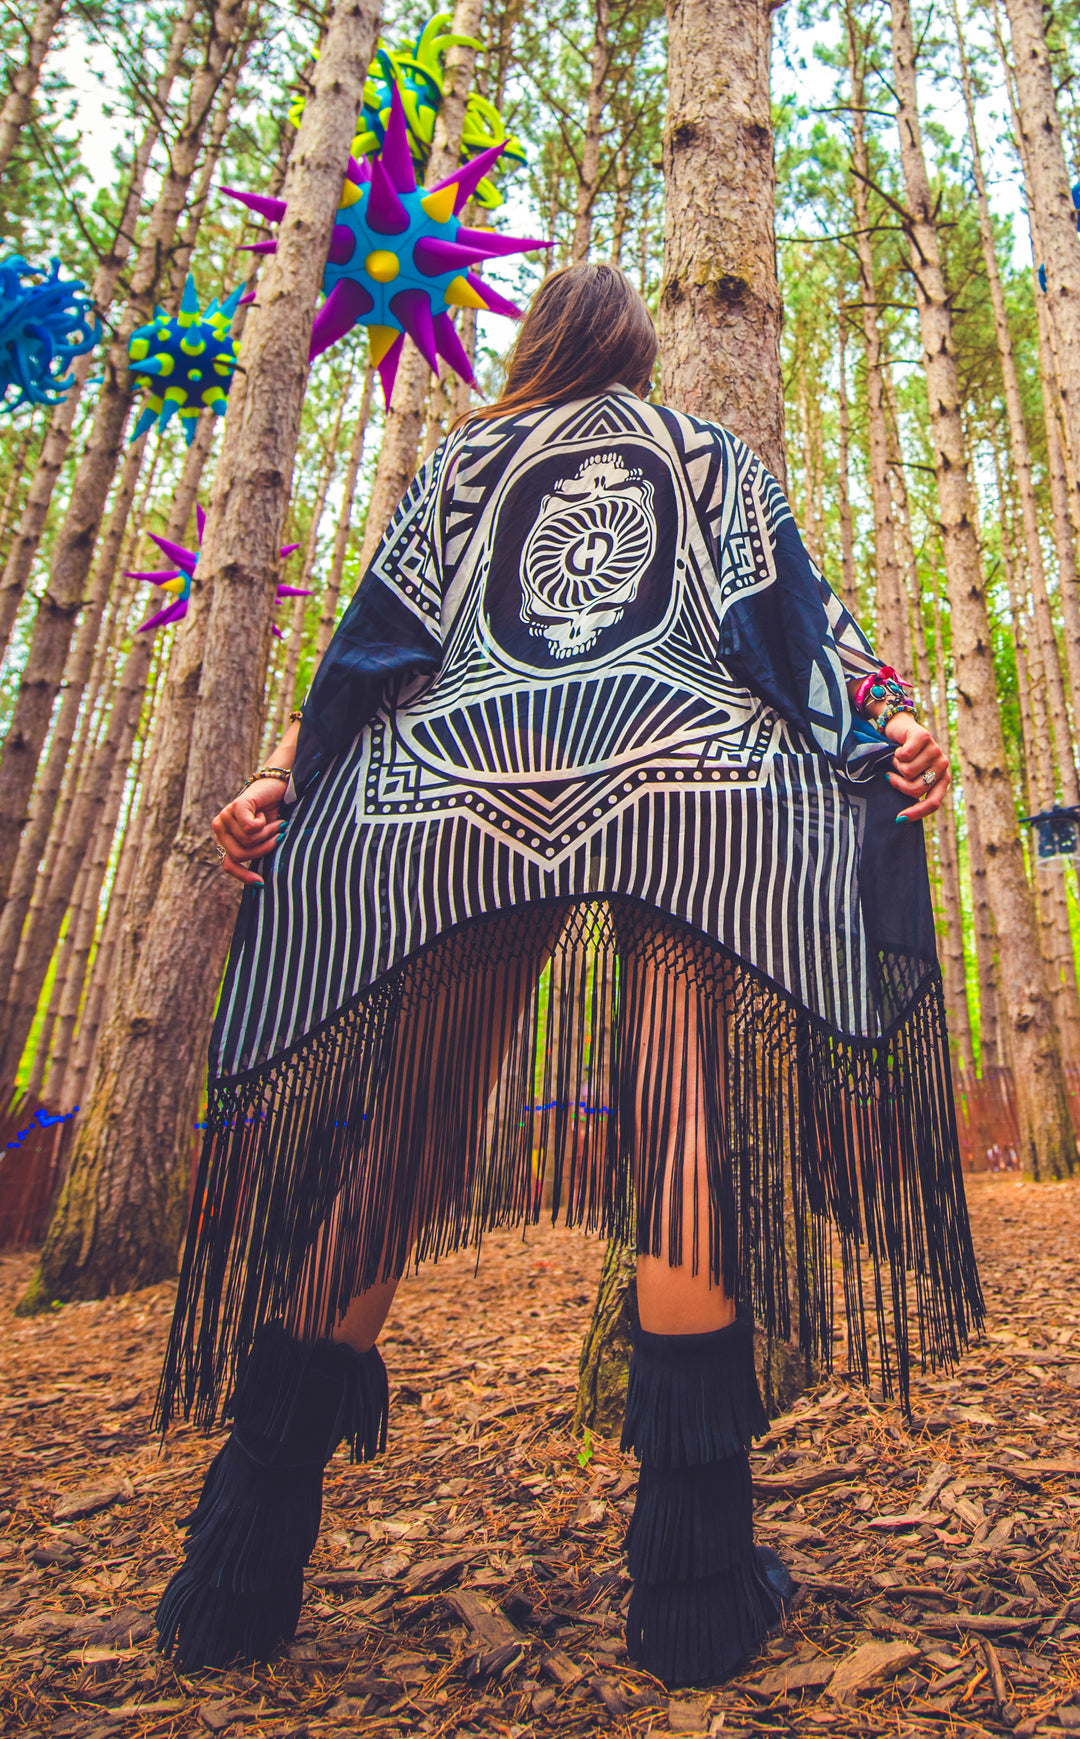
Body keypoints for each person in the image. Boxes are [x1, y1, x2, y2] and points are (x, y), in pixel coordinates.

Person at [154, 263, 982, 1687]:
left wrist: (284, 778)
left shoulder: (467, 464)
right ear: (641, 354)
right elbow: (795, 621)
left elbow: (372, 655)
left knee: (402, 1141)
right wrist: (887, 729)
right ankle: (695, 1597)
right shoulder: (705, 451)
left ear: (536, 346)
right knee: (674, 1137)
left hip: (470, 792)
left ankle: (240, 1570)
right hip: (688, 783)